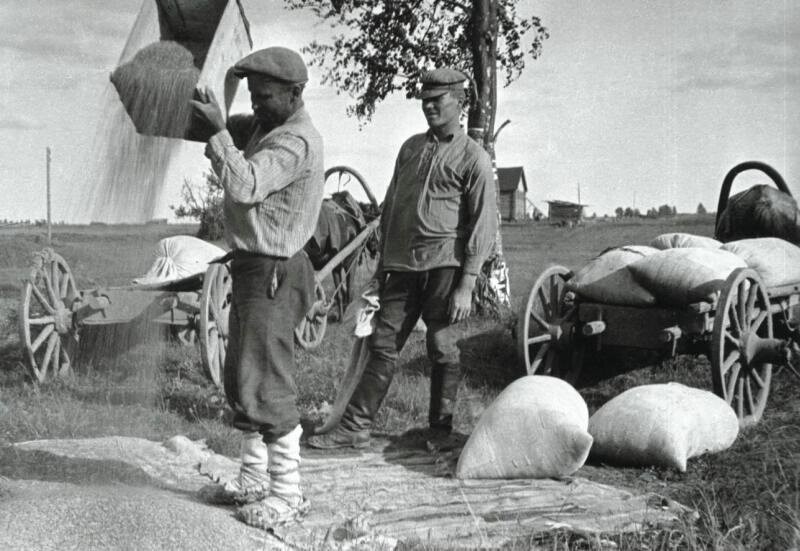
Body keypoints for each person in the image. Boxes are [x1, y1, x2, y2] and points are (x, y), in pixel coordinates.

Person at [307, 67, 497, 450]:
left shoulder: (474, 159)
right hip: (402, 267)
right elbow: (392, 208)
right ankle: (356, 427)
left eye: (437, 100)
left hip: (446, 266)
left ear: (459, 103)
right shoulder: (410, 149)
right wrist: (381, 269)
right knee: (382, 342)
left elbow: (483, 224)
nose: (429, 107)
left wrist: (467, 283)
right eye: (424, 101)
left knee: (442, 347)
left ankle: (440, 434)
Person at [190, 46, 324, 529]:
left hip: (274, 271)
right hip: (251, 266)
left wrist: (219, 132)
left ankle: (287, 495)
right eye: (252, 95)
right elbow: (230, 152)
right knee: (242, 376)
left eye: (265, 96)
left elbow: (245, 185)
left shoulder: (296, 142)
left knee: (268, 379)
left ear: (295, 93)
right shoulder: (269, 128)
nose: (258, 104)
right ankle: (253, 477)